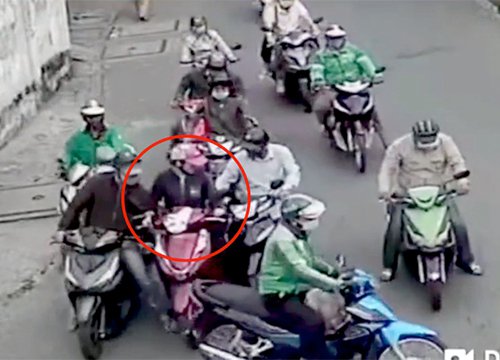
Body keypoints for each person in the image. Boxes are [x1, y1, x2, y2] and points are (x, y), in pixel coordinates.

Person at [57, 150, 177, 332]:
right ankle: (74, 310)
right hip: (93, 238)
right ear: (117, 170)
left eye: (136, 166)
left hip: (124, 242)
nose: (134, 171)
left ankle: (164, 314)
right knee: (68, 267)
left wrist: (148, 227)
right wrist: (63, 229)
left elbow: (152, 220)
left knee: (144, 278)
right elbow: (76, 205)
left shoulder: (141, 195)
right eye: (128, 167)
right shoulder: (97, 183)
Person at [378, 119, 483, 282]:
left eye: (430, 139)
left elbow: (457, 163)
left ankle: (466, 260)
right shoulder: (399, 146)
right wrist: (385, 190)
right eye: (423, 140)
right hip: (407, 195)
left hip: (439, 193)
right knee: (395, 229)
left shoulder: (446, 143)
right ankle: (389, 266)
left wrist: (462, 182)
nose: (427, 144)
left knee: (458, 225)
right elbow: (387, 168)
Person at [259, 193, 354, 359]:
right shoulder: (283, 240)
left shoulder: (298, 234)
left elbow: (311, 259)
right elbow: (300, 269)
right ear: (294, 220)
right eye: (309, 218)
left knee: (332, 306)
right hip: (279, 293)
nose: (314, 222)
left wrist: (333, 271)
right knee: (314, 323)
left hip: (296, 286)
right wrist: (333, 283)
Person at [215, 127, 301, 284]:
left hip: (275, 203)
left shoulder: (281, 153)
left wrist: (285, 188)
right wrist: (221, 192)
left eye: (253, 148)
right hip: (248, 206)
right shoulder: (239, 159)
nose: (249, 151)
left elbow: (293, 173)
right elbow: (223, 181)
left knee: (291, 237)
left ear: (263, 146)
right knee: (233, 243)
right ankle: (238, 281)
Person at [309, 24, 382, 137]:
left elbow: (365, 61)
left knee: (369, 105)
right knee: (320, 106)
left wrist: (373, 74)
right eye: (333, 39)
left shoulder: (353, 50)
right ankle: (324, 126)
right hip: (334, 87)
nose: (336, 41)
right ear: (327, 39)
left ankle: (379, 128)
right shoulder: (321, 55)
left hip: (356, 84)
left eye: (339, 38)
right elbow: (317, 69)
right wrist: (318, 80)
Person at [261, 0, 320, 94]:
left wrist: (313, 28)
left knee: (314, 46)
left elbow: (305, 16)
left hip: (296, 33)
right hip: (279, 35)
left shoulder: (297, 5)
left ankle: (318, 73)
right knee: (269, 53)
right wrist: (270, 37)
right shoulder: (271, 7)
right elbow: (268, 24)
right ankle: (279, 78)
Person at [63, 99, 135, 173]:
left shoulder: (112, 133)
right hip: (88, 177)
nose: (94, 119)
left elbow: (122, 147)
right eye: (90, 117)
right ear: (85, 118)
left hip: (111, 173)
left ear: (102, 116)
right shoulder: (78, 138)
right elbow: (69, 157)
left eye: (97, 116)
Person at [172, 51, 245, 104]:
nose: (216, 72)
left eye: (220, 69)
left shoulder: (231, 78)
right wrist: (179, 98)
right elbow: (183, 85)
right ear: (208, 66)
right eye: (213, 68)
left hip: (223, 108)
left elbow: (239, 91)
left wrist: (239, 97)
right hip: (199, 106)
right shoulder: (195, 76)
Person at [204, 72, 250, 142]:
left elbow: (244, 118)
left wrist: (248, 130)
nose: (220, 91)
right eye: (217, 89)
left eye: (223, 88)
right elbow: (208, 120)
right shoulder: (207, 102)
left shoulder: (237, 102)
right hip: (215, 138)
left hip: (236, 138)